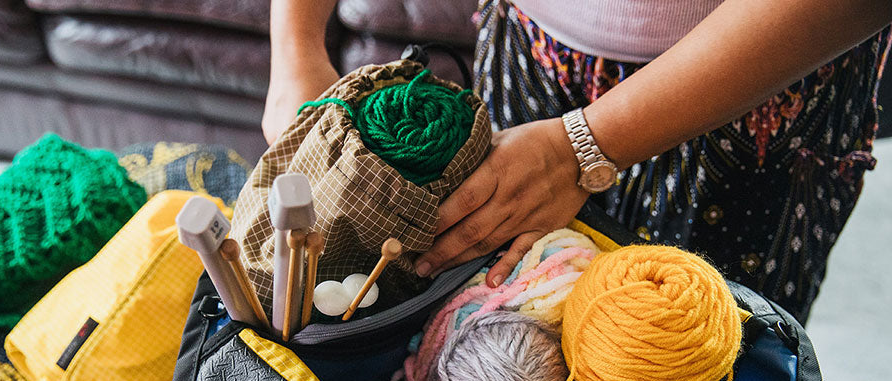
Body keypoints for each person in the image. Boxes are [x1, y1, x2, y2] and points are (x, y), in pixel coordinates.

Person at [263, 0, 892, 322]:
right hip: (528, 53)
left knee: (693, 379)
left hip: (751, 89)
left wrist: (582, 148)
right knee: (485, 337)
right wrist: (294, 44)